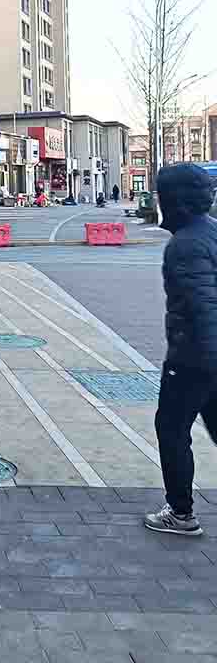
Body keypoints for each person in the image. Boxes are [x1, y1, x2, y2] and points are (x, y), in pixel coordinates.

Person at [144, 164, 217, 536]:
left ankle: (180, 513)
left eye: (161, 196)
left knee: (171, 429)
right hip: (207, 357)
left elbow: (203, 307)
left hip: (193, 360)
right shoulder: (211, 231)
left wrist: (206, 361)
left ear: (176, 201)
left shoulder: (185, 245)